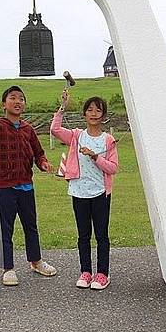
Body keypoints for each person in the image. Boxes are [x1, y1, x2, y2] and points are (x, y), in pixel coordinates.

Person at [0, 84, 57, 286]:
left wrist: (43, 163)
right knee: (6, 228)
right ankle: (8, 268)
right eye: (12, 98)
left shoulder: (28, 130)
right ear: (4, 104)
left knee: (31, 226)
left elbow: (39, 153)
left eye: (21, 98)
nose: (17, 101)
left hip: (26, 186)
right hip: (5, 187)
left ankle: (36, 261)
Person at [50, 91, 118, 290]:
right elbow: (54, 129)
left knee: (102, 235)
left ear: (104, 116)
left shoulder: (108, 140)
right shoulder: (76, 136)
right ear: (84, 114)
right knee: (83, 235)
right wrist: (62, 107)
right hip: (79, 192)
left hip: (100, 194)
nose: (94, 113)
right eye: (90, 110)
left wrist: (95, 157)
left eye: (98, 110)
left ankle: (102, 274)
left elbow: (113, 168)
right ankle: (86, 272)